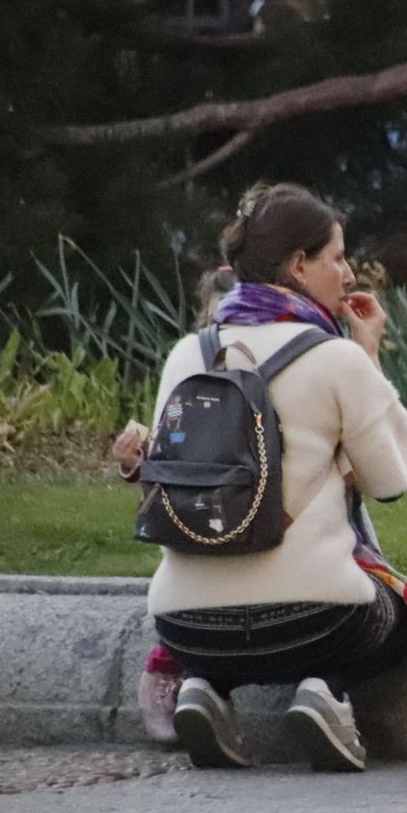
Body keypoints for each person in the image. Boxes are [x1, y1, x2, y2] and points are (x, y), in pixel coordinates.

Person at [134, 182, 407, 771]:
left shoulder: (186, 354)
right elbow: (394, 479)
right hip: (315, 623)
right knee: (396, 624)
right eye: (337, 258)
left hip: (183, 630)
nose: (348, 275)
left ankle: (206, 689)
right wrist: (368, 358)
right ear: (299, 265)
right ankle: (326, 690)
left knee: (222, 635)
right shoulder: (334, 356)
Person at [112, 265, 239, 745]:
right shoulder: (192, 378)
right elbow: (166, 455)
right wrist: (135, 463)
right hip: (197, 502)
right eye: (213, 324)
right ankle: (166, 667)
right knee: (193, 559)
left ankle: (194, 673)